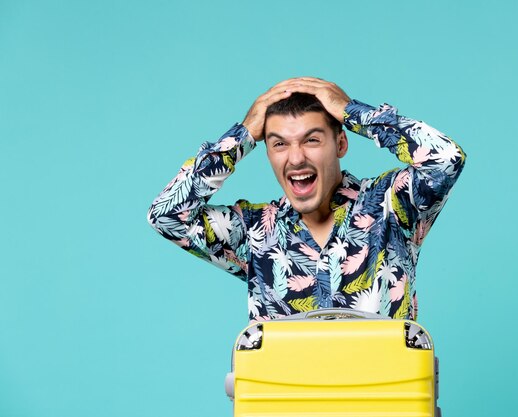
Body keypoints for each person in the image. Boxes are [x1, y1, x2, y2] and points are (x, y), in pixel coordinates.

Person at [147, 77, 465, 322]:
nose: (296, 158)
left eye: (311, 140)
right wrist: (243, 135)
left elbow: (446, 159)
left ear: (341, 143)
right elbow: (166, 215)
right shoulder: (254, 231)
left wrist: (352, 112)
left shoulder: (391, 207)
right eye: (279, 144)